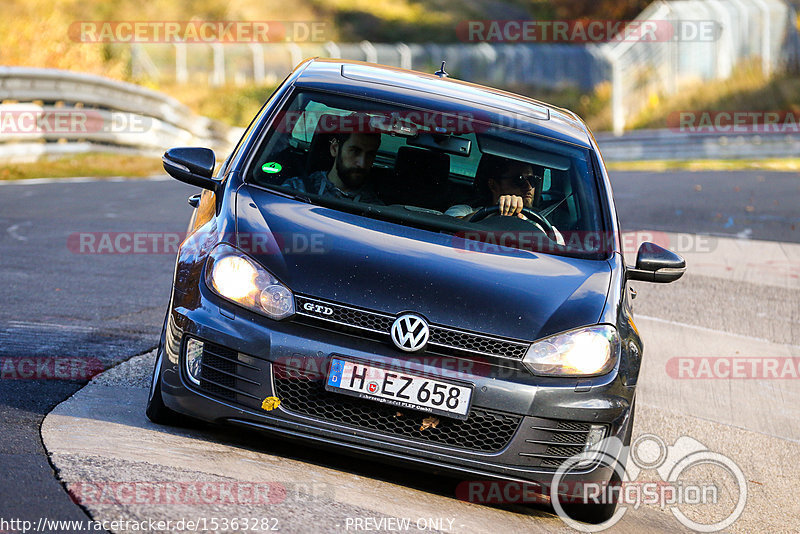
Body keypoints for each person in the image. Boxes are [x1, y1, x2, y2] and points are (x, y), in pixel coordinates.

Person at [446, 156, 564, 243]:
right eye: (520, 179)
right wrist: (495, 213)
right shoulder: (463, 211)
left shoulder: (543, 226)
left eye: (533, 181)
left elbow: (561, 256)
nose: (529, 187)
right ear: (493, 185)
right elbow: (447, 228)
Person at [281, 129, 383, 204]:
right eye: (355, 151)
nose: (362, 163)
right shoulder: (297, 188)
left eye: (370, 154)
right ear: (335, 149)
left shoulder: (375, 207)